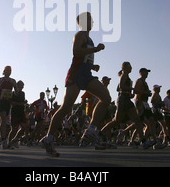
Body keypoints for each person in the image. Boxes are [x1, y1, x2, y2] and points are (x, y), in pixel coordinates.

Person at [40, 12, 111, 157]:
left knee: (106, 98)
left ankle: (91, 130)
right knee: (66, 107)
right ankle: (48, 138)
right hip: (76, 74)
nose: (93, 22)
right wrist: (95, 49)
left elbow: (83, 57)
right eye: (90, 20)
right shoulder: (80, 35)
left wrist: (92, 66)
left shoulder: (89, 38)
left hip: (86, 74)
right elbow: (76, 51)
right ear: (84, 22)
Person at [100, 62, 152, 149]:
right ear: (125, 68)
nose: (131, 68)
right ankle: (100, 133)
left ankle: (144, 141)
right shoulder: (124, 75)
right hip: (122, 99)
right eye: (129, 67)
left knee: (137, 120)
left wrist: (130, 93)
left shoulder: (127, 77)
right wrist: (132, 89)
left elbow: (120, 88)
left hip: (127, 99)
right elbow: (121, 87)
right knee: (116, 120)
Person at [0, 66, 17, 149]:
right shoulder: (0, 80)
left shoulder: (13, 81)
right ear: (4, 71)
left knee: (1, 122)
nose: (8, 72)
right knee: (3, 120)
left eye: (10, 70)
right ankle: (3, 140)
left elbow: (16, 93)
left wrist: (15, 88)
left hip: (7, 103)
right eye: (7, 70)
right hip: (0, 101)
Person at [8, 80, 28, 148]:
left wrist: (24, 102)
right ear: (17, 85)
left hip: (21, 112)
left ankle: (15, 139)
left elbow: (22, 102)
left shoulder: (23, 93)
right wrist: (20, 103)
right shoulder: (13, 93)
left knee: (24, 127)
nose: (22, 86)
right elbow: (11, 102)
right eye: (21, 85)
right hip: (15, 111)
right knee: (13, 129)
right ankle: (9, 142)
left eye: (23, 85)